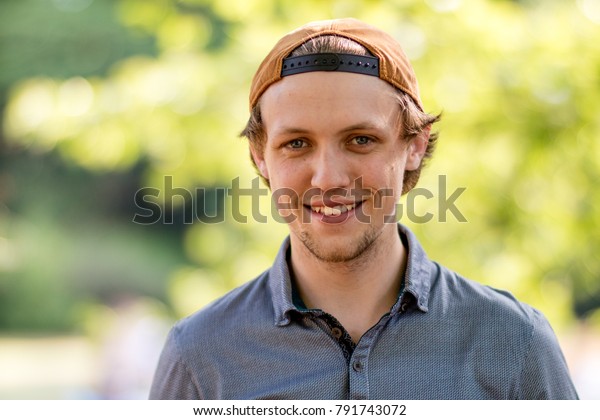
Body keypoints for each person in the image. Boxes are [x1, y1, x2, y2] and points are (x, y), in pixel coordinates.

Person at [149, 18, 578, 400]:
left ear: (414, 146)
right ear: (261, 157)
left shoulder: (515, 343)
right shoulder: (200, 356)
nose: (328, 179)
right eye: (296, 144)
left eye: (360, 140)